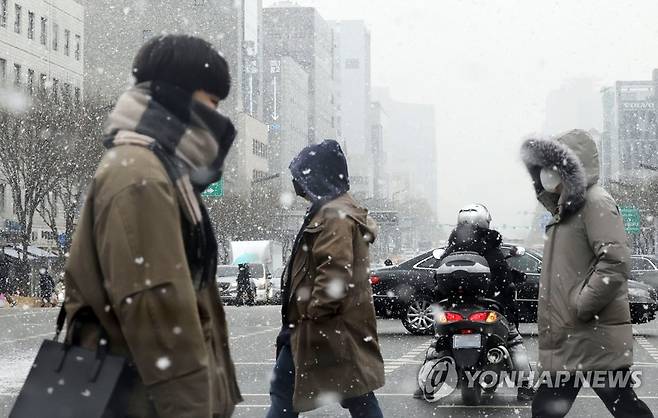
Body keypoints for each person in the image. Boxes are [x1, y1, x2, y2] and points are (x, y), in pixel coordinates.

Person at [63, 35, 241, 417]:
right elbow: (160, 312)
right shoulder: (142, 175)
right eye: (211, 103)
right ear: (178, 97)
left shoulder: (155, 168)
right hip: (137, 400)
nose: (217, 119)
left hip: (132, 393)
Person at [521, 130, 653, 418]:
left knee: (620, 407)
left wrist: (582, 304)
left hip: (590, 335)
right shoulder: (565, 210)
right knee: (549, 409)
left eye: (551, 167)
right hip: (574, 337)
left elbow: (615, 261)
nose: (545, 174)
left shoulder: (595, 202)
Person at [267, 139, 386, 418]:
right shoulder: (331, 210)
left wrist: (310, 320)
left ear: (318, 176)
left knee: (283, 394)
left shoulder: (333, 215)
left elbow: (333, 276)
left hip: (321, 327)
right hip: (334, 328)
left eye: (302, 177)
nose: (298, 187)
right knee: (358, 396)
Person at [413, 204, 535, 401]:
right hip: (488, 307)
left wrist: (443, 301)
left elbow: (438, 282)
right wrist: (508, 298)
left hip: (454, 308)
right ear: (485, 221)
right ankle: (526, 387)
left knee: (437, 343)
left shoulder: (452, 248)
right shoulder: (492, 247)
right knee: (513, 340)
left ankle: (424, 385)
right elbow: (504, 281)